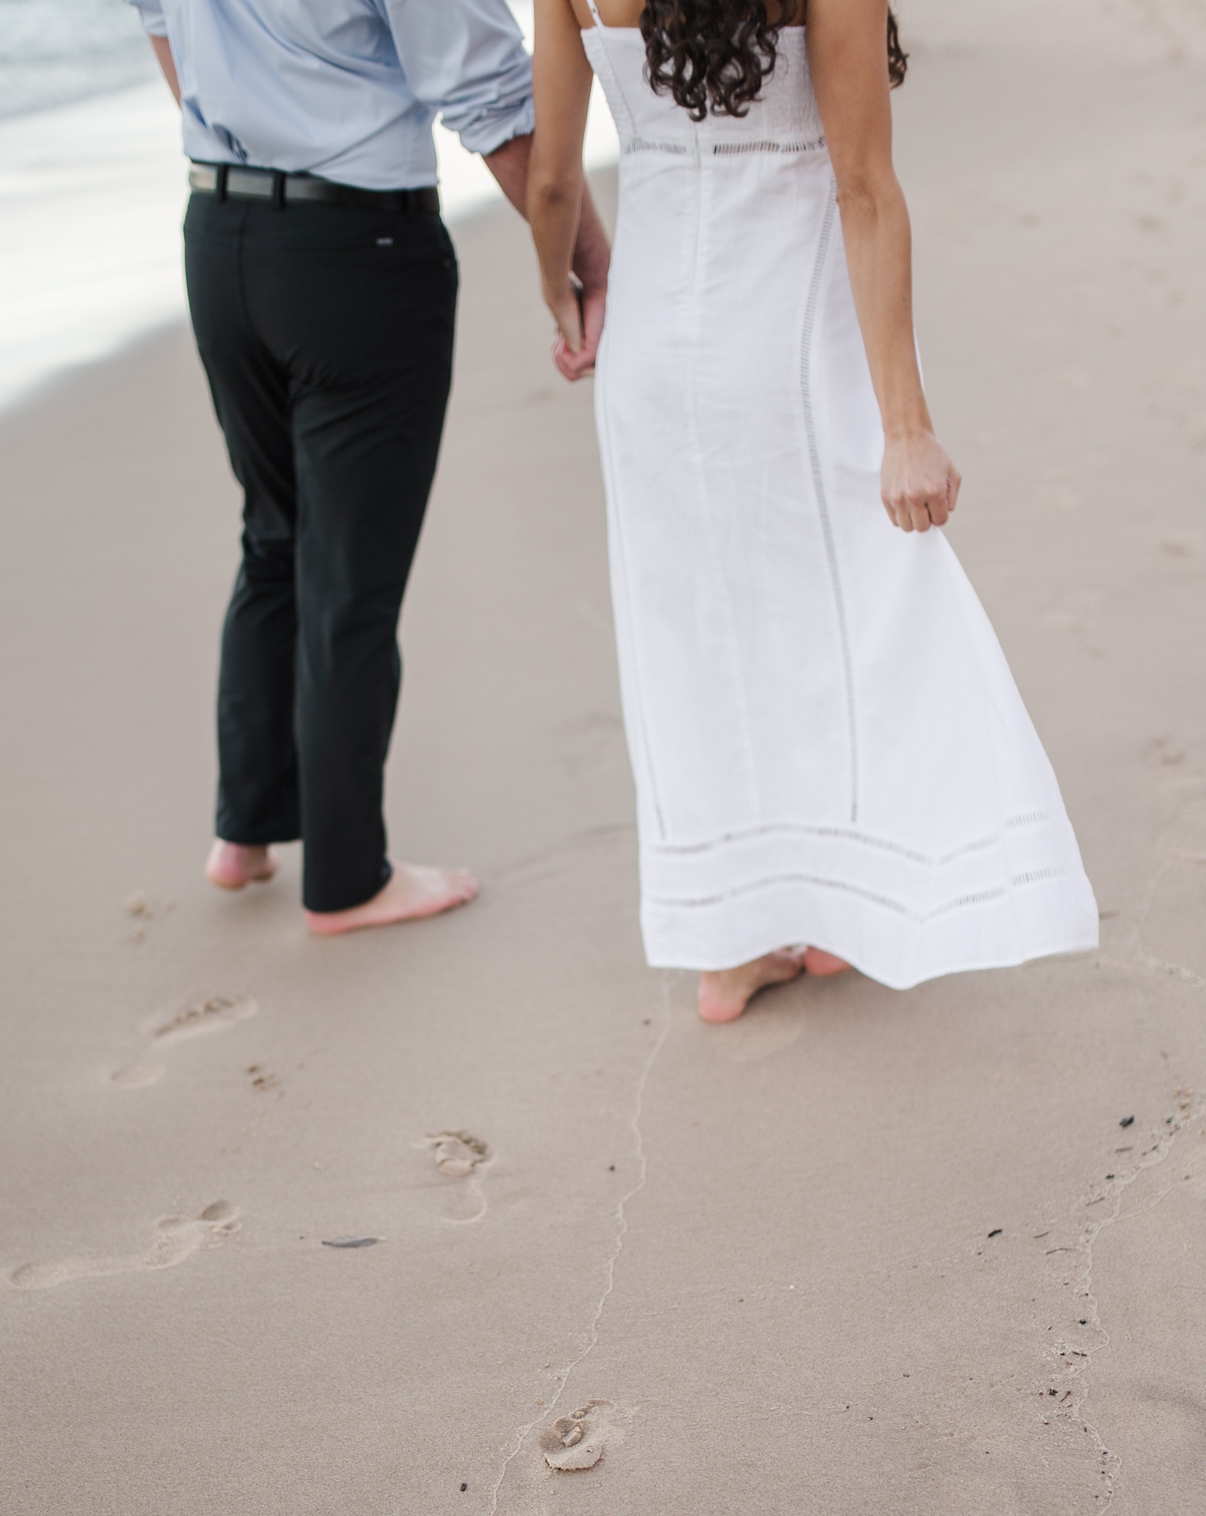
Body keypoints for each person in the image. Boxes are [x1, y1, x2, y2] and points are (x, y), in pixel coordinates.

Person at [528, 0, 1099, 1019]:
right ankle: (842, 899)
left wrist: (566, 295)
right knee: (846, 623)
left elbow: (555, 179)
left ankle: (728, 945)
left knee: (691, 634)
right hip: (795, 336)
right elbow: (865, 187)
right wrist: (906, 425)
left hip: (653, 348)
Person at [129, 0, 610, 933]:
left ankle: (246, 830)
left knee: (274, 533)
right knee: (349, 578)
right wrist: (586, 258)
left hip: (218, 231)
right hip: (356, 253)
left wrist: (251, 136)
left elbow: (159, 20)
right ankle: (349, 878)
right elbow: (496, 100)